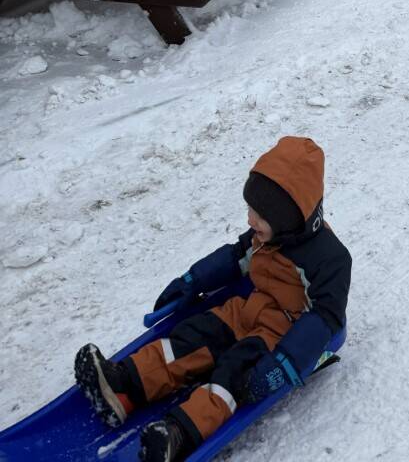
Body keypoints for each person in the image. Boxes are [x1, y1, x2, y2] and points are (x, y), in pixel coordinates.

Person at [74, 136, 351, 462]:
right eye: (250, 209)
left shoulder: (330, 259)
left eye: (260, 215)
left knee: (232, 373)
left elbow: (326, 318)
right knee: (191, 337)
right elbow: (234, 257)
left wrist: (282, 364)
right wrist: (192, 280)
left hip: (280, 334)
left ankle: (176, 435)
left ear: (289, 219)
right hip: (243, 311)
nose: (250, 220)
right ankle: (123, 387)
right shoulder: (267, 235)